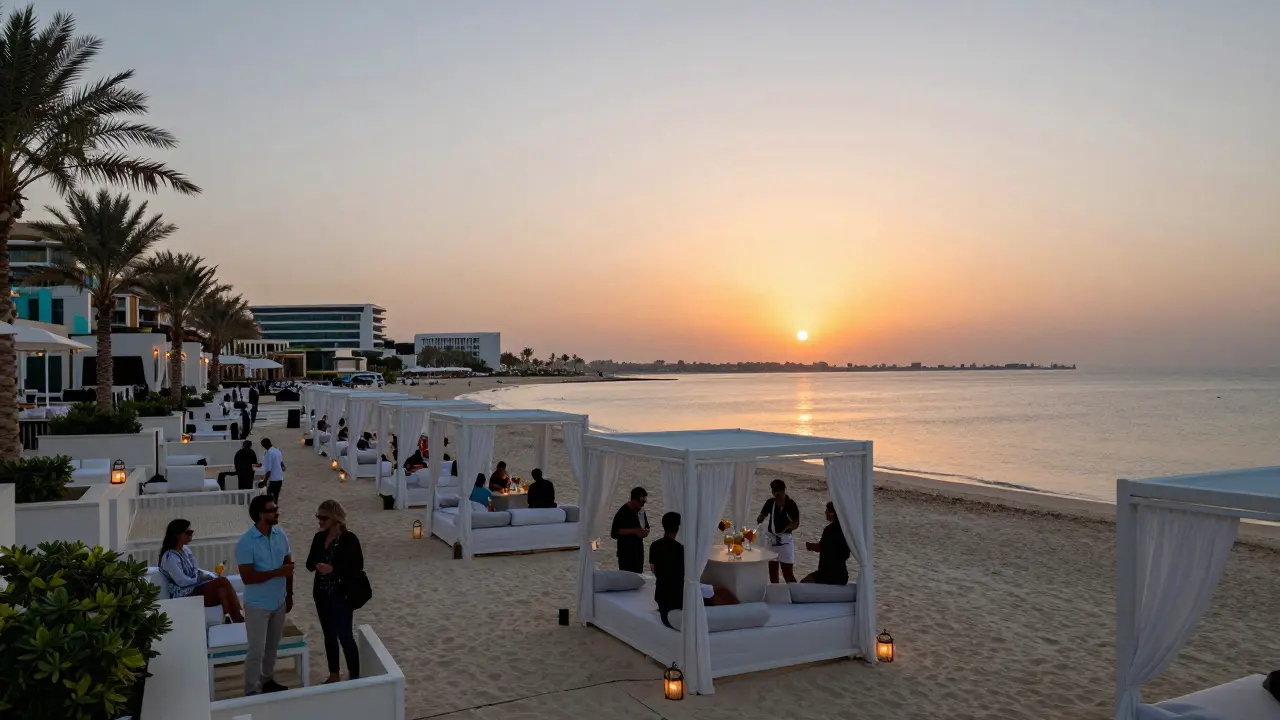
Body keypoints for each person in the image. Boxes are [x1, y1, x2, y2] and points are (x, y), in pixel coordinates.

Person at [236, 495, 293, 695]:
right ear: (260, 514)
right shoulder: (246, 542)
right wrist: (278, 573)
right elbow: (248, 577)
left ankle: (267, 680)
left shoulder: (281, 535)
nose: (276, 511)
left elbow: (289, 566)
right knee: (256, 651)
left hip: (278, 601)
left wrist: (289, 595)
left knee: (272, 648)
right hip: (257, 604)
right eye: (272, 509)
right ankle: (251, 689)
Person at [305, 500, 364, 683]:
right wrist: (318, 563)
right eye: (318, 517)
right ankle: (334, 674)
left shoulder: (349, 539)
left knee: (345, 636)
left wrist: (333, 569)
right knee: (329, 635)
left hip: (342, 595)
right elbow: (308, 565)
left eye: (324, 518)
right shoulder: (319, 538)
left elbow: (357, 567)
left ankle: (354, 675)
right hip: (322, 594)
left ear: (335, 518)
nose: (320, 521)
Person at [649, 512, 737, 628]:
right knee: (721, 592)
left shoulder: (655, 546)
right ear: (678, 528)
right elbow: (688, 574)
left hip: (662, 596)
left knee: (713, 590)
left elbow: (653, 569)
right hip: (679, 598)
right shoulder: (680, 549)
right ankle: (737, 615)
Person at [159, 519, 243, 622]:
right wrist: (200, 578)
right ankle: (238, 618)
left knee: (221, 588)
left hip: (194, 587)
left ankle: (228, 617)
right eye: (188, 533)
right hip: (184, 593)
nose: (191, 535)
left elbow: (195, 569)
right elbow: (182, 582)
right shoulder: (169, 558)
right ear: (177, 535)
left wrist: (206, 576)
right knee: (222, 581)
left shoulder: (185, 550)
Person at [757, 479, 800, 583]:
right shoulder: (770, 502)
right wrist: (762, 516)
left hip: (785, 541)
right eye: (774, 491)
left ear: (784, 490)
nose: (777, 494)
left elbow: (796, 524)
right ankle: (776, 594)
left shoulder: (791, 504)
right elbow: (760, 519)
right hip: (771, 541)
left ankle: (794, 594)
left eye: (779, 491)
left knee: (788, 573)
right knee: (773, 572)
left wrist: (787, 527)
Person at [803, 502, 851, 585]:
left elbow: (820, 547)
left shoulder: (829, 530)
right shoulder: (846, 530)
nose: (825, 512)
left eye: (828, 511)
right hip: (842, 574)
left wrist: (810, 546)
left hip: (827, 574)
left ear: (833, 514)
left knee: (804, 583)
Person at [610, 487, 649, 573]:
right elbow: (614, 533)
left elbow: (646, 526)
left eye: (644, 502)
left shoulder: (641, 511)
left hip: (638, 552)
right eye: (640, 502)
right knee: (626, 578)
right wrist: (634, 531)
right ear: (634, 500)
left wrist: (645, 532)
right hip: (626, 553)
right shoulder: (622, 512)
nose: (642, 505)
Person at [260, 438, 285, 504]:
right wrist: (282, 467)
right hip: (280, 478)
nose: (263, 447)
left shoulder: (268, 454)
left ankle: (272, 510)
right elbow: (281, 463)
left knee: (269, 498)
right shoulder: (277, 450)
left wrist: (264, 481)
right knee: (276, 497)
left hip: (273, 479)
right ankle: (275, 509)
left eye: (263, 445)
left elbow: (269, 471)